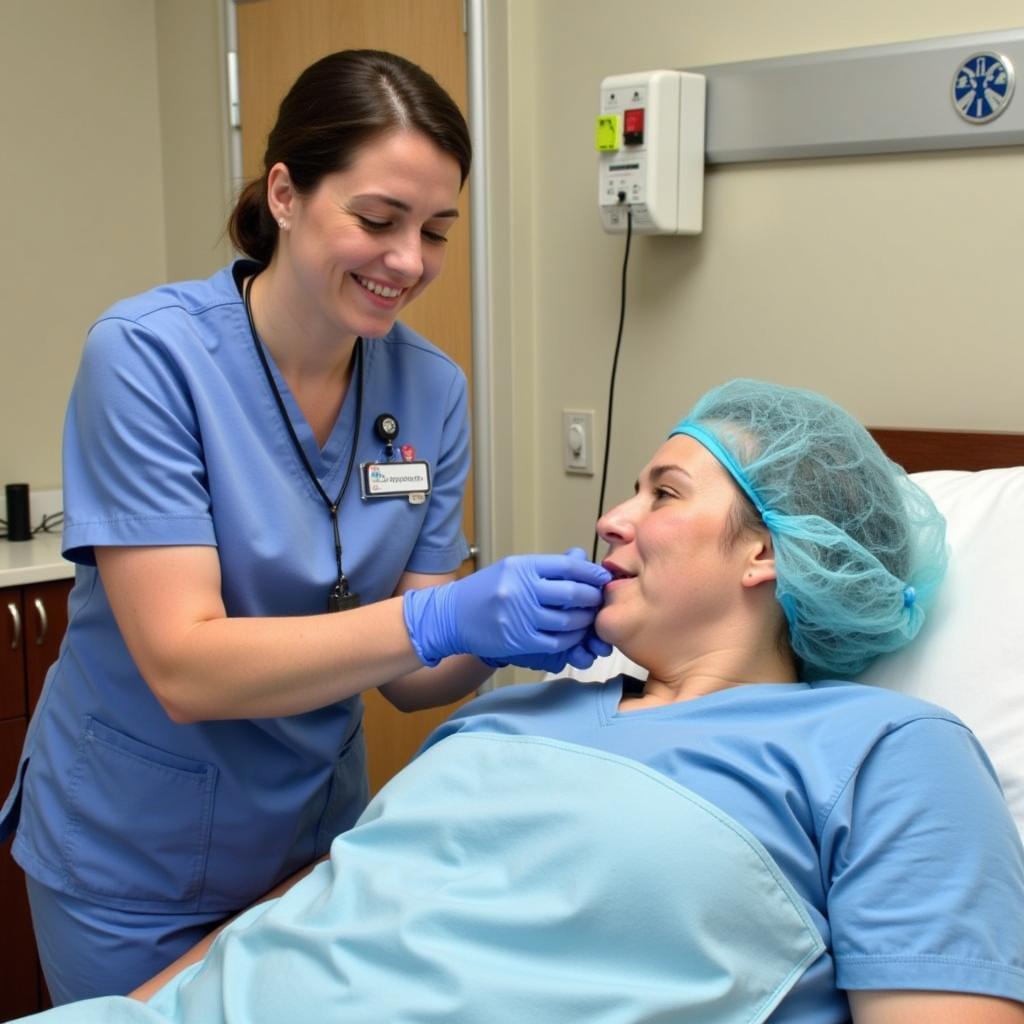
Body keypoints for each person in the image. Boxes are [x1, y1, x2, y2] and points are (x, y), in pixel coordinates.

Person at [13, 378, 1022, 1024]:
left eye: (662, 493)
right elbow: (325, 905)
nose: (609, 517)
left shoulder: (881, 750)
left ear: (769, 549)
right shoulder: (512, 712)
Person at [0, 49, 611, 1005]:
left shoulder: (431, 388)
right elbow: (184, 665)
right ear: (284, 193)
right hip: (134, 856)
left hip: (316, 842)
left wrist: (504, 634)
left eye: (437, 231)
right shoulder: (150, 359)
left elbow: (413, 682)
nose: (408, 261)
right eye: (377, 220)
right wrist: (443, 618)